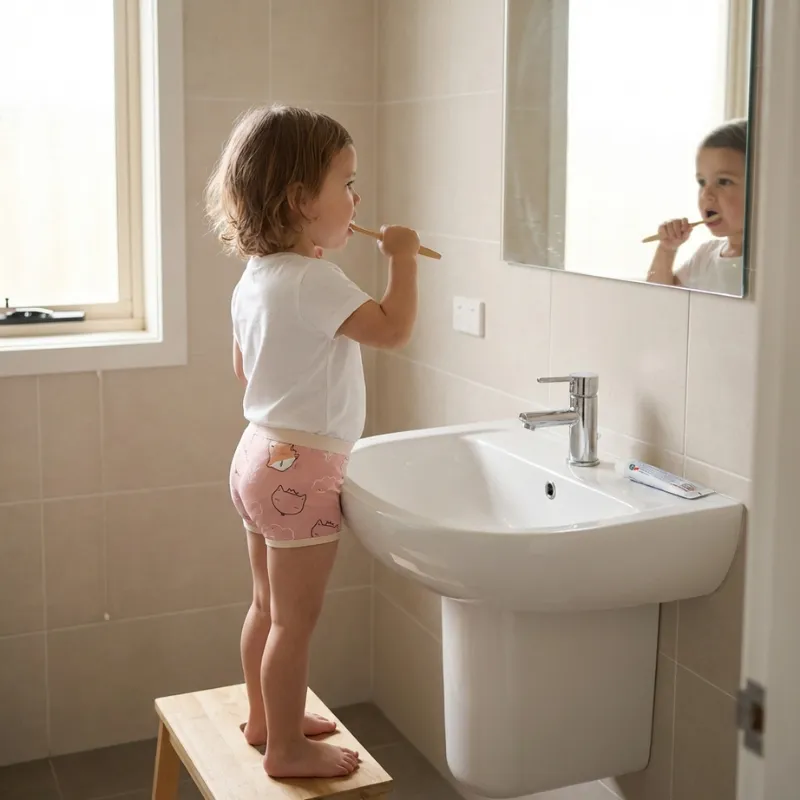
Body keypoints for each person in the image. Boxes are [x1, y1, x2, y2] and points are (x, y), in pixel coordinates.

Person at [205, 105, 420, 779]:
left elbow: (245, 370)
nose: (357, 200)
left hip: (258, 454)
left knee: (266, 607)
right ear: (303, 200)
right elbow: (392, 330)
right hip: (304, 469)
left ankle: (266, 717)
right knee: (295, 621)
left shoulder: (257, 276)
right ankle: (286, 750)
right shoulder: (316, 279)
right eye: (347, 184)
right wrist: (403, 260)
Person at [647, 118, 747, 295]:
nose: (706, 194)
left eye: (724, 181)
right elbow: (658, 298)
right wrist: (667, 250)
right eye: (702, 182)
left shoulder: (775, 263)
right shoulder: (705, 256)